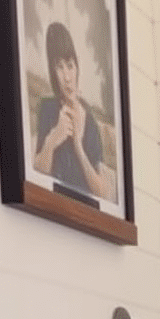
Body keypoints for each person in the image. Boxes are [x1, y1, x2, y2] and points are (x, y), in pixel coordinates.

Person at [33, 21, 109, 200]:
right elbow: (37, 171)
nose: (67, 77)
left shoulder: (89, 119)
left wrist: (78, 146)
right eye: (59, 67)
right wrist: (52, 140)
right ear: (53, 72)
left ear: (77, 67)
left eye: (70, 65)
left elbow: (103, 192)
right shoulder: (47, 108)